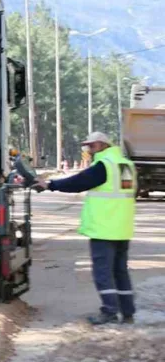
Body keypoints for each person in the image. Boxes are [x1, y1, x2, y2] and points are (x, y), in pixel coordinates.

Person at [36, 131, 137, 324]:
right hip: (122, 228)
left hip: (104, 228)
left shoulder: (104, 165)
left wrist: (50, 185)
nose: (88, 150)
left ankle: (109, 311)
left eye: (90, 146)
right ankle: (128, 311)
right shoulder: (126, 165)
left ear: (100, 145)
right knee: (120, 271)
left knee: (103, 272)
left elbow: (78, 182)